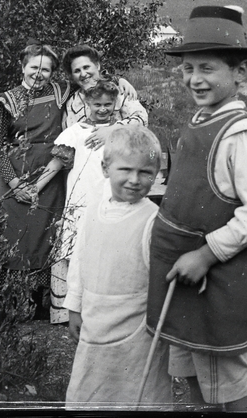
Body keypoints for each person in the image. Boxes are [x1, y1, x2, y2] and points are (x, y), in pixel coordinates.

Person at [147, 5, 247, 411]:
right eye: (187, 69)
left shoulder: (241, 135)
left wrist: (205, 255)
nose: (194, 79)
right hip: (184, 280)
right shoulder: (202, 120)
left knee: (227, 382)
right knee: (196, 376)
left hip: (214, 280)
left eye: (207, 68)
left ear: (240, 72)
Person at [64, 124, 171, 407]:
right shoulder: (93, 211)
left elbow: (162, 279)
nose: (135, 180)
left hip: (137, 327)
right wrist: (74, 305)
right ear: (105, 168)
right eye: (126, 170)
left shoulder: (153, 220)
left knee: (138, 393)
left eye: (145, 172)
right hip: (96, 319)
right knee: (93, 389)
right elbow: (80, 258)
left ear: (156, 175)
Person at [0, 43, 71, 319]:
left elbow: (93, 80)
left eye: (46, 69)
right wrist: (15, 185)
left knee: (45, 238)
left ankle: (40, 306)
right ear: (23, 67)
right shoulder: (5, 100)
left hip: (50, 178)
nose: (39, 73)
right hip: (12, 179)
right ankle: (10, 305)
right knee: (12, 238)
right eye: (34, 67)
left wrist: (123, 83)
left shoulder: (61, 93)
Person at [45, 79, 123, 324]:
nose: (102, 109)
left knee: (109, 251)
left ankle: (105, 308)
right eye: (97, 104)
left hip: (110, 196)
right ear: (87, 103)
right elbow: (58, 163)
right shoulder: (75, 132)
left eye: (108, 104)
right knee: (72, 250)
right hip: (81, 196)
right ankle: (66, 311)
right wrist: (36, 186)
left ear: (115, 103)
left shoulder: (120, 130)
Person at [60, 45, 149, 149]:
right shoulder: (71, 103)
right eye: (77, 71)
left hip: (120, 157)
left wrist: (113, 129)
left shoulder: (119, 91)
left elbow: (141, 119)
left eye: (86, 67)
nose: (83, 74)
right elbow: (70, 139)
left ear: (97, 66)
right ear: (72, 75)